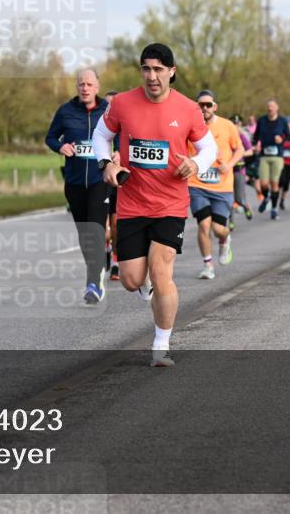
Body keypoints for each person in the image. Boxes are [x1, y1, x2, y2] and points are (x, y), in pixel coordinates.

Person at [92, 43, 217, 367]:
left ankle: (161, 345)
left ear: (171, 72)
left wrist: (195, 163)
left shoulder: (188, 109)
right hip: (132, 203)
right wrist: (106, 164)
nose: (152, 76)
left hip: (170, 204)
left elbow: (209, 148)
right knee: (133, 279)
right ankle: (145, 289)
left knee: (161, 272)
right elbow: (100, 135)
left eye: (159, 69)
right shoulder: (122, 103)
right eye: (146, 68)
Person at [45, 70, 111, 304]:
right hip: (73, 182)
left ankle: (93, 282)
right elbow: (50, 137)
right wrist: (60, 147)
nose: (85, 88)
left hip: (99, 180)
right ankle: (97, 269)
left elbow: (122, 136)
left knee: (94, 229)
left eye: (89, 84)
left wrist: (119, 155)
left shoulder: (108, 110)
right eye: (81, 84)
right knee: (85, 235)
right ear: (76, 87)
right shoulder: (66, 111)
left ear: (97, 86)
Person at [187, 90, 244, 280]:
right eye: (200, 105)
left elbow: (240, 149)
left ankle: (225, 238)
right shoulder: (190, 126)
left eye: (208, 105)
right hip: (197, 184)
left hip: (221, 187)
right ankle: (207, 265)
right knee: (203, 225)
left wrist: (229, 164)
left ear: (214, 106)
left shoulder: (227, 126)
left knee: (218, 229)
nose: (204, 108)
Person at [252, 99, 290, 220]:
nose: (270, 108)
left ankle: (274, 209)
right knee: (263, 184)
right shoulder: (262, 120)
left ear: (277, 108)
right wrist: (256, 144)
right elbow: (256, 136)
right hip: (264, 155)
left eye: (272, 106)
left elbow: (288, 135)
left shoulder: (282, 121)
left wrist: (282, 139)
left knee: (274, 184)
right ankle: (267, 197)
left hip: (277, 156)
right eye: (268, 106)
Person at [103, 91, 121, 281]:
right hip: (98, 179)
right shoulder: (99, 126)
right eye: (106, 104)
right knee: (103, 228)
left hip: (115, 179)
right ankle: (106, 247)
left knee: (115, 225)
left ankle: (115, 261)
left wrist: (119, 153)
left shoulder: (122, 126)